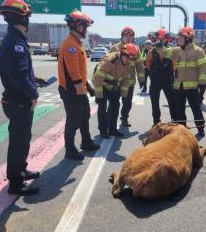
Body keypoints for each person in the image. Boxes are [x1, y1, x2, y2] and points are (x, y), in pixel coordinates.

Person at [0, 0, 41, 195]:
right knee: (18, 141)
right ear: (23, 18)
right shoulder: (15, 41)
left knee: (23, 139)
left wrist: (36, 80)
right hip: (19, 102)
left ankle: (21, 170)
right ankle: (15, 182)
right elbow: (18, 74)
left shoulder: (15, 39)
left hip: (17, 100)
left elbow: (21, 71)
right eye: (27, 16)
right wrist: (33, 93)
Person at [58, 10, 100, 160]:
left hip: (78, 88)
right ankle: (69, 149)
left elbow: (80, 73)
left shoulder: (76, 44)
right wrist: (82, 94)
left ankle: (86, 141)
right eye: (85, 27)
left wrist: (87, 86)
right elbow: (73, 74)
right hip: (71, 90)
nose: (86, 30)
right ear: (76, 26)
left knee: (84, 116)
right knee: (73, 119)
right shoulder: (71, 45)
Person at [92, 44, 138, 138]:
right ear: (122, 54)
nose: (129, 60)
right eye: (128, 57)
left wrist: (123, 95)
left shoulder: (128, 64)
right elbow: (97, 77)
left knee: (115, 107)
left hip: (113, 86)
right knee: (102, 107)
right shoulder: (109, 60)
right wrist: (99, 95)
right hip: (102, 85)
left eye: (132, 58)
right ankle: (103, 131)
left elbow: (125, 80)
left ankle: (112, 129)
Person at [172, 26, 206, 137]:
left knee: (196, 109)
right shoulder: (177, 51)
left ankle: (200, 128)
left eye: (181, 38)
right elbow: (166, 53)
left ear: (188, 38)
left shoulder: (198, 51)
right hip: (179, 86)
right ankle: (182, 130)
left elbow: (203, 67)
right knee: (179, 110)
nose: (178, 40)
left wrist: (202, 82)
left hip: (192, 87)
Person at [109, 27, 144, 127]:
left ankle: (124, 118)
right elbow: (107, 64)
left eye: (130, 36)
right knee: (113, 104)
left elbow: (139, 65)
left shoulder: (136, 49)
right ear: (122, 37)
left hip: (129, 82)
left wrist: (142, 80)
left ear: (133, 38)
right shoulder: (114, 48)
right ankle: (110, 123)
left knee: (127, 103)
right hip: (116, 82)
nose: (128, 38)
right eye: (126, 36)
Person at [146, 29, 175, 126]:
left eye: (162, 39)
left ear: (166, 40)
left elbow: (175, 65)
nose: (160, 41)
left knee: (172, 102)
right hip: (155, 81)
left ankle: (174, 121)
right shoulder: (151, 52)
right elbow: (148, 66)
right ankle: (156, 123)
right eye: (158, 39)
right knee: (155, 104)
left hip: (168, 81)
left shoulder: (171, 51)